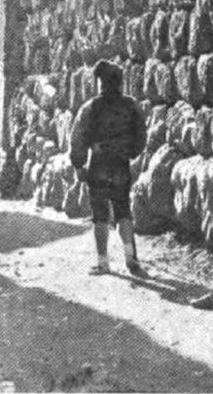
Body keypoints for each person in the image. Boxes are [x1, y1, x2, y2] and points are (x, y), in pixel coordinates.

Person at [70, 59, 147, 276]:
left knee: (100, 214)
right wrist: (131, 152)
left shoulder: (90, 107)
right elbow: (141, 136)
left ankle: (103, 262)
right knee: (123, 210)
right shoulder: (132, 106)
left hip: (99, 163)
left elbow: (78, 137)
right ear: (120, 82)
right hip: (121, 163)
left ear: (101, 83)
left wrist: (78, 164)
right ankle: (130, 257)